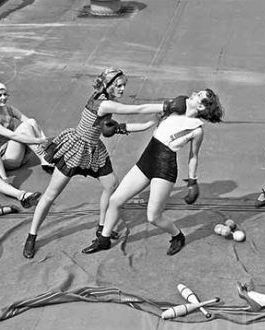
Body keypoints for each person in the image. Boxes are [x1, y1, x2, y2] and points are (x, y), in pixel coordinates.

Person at [22, 67, 168, 259]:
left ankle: (102, 227)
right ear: (108, 86)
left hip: (93, 148)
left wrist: (150, 123)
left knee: (111, 185)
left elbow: (118, 127)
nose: (123, 89)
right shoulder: (105, 104)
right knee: (50, 194)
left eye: (124, 85)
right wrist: (166, 106)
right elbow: (136, 109)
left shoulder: (102, 98)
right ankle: (31, 236)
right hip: (76, 148)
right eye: (119, 85)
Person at [82, 89, 224, 256]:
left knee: (153, 217)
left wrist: (192, 181)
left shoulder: (197, 129)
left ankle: (177, 236)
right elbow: (148, 122)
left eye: (199, 95)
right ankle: (103, 240)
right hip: (147, 160)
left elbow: (193, 157)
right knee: (114, 201)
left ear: (201, 107)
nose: (194, 93)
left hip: (165, 168)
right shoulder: (174, 108)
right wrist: (120, 128)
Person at [0, 81, 53, 171]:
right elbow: (13, 135)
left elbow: (29, 122)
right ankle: (44, 159)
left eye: (5, 94)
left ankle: (44, 149)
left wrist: (42, 139)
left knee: (31, 121)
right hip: (6, 158)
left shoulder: (9, 109)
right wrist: (36, 140)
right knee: (24, 128)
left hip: (16, 151)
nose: (3, 97)